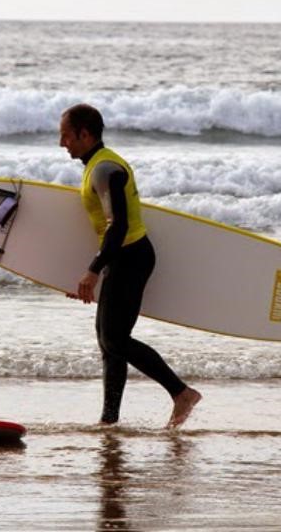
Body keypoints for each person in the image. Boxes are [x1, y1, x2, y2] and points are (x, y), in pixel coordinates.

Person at [59, 103, 201, 427]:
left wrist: (93, 270)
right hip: (121, 258)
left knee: (116, 340)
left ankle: (181, 392)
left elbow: (119, 225)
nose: (61, 143)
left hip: (130, 257)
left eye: (66, 136)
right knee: (109, 342)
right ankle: (109, 421)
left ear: (85, 133)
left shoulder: (105, 170)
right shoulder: (97, 165)